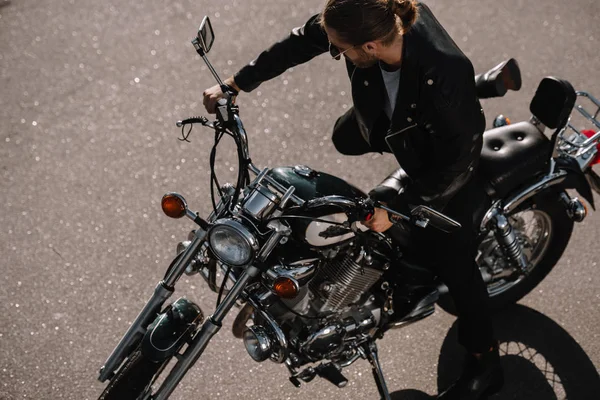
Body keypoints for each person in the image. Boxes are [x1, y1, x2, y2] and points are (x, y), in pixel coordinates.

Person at [203, 1, 503, 398]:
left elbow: (458, 160)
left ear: (372, 48)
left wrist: (397, 209)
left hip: (443, 167)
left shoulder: (444, 73)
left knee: (453, 260)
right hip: (404, 120)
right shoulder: (369, 15)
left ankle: (486, 364)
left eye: (340, 50)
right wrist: (237, 83)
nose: (334, 53)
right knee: (344, 140)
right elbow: (300, 43)